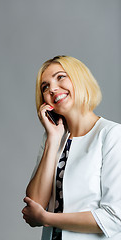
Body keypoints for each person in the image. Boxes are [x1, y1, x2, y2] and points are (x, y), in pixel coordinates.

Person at [22, 55, 121, 240]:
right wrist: (53, 138)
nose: (52, 88)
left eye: (60, 77)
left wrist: (47, 218)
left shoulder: (112, 135)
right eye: (45, 87)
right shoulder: (53, 137)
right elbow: (34, 204)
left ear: (79, 79)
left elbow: (114, 218)